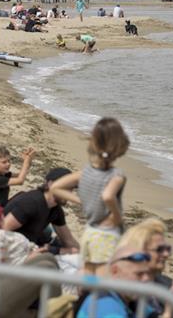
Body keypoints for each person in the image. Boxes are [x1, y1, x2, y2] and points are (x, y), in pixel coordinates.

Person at [51, 117, 130, 275]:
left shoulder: (85, 172)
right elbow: (108, 196)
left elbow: (55, 187)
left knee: (87, 272)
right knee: (102, 276)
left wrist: (83, 201)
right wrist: (117, 216)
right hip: (107, 233)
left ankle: (82, 298)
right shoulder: (116, 175)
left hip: (90, 231)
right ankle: (92, 298)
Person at [3, 167, 79, 249]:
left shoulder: (55, 209)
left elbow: (68, 240)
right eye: (67, 187)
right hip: (10, 248)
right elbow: (1, 230)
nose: (69, 193)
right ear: (51, 184)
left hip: (28, 246)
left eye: (71, 189)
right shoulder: (31, 202)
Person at [75, 245, 152, 318]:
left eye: (147, 273)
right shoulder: (104, 304)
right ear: (115, 271)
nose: (146, 279)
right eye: (139, 274)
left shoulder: (128, 299)